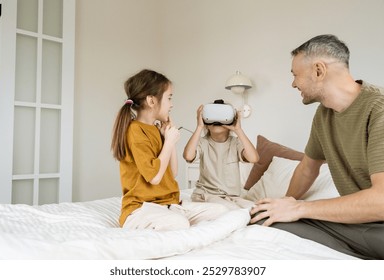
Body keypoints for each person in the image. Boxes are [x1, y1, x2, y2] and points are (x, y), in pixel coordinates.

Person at [250, 34, 384, 259]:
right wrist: (285, 204)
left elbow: (381, 201)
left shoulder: (378, 109)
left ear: (319, 70)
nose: (293, 83)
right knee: (266, 222)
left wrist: (300, 208)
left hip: (378, 223)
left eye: (295, 75)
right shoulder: (324, 115)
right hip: (359, 225)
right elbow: (307, 168)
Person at [111, 69, 228, 231]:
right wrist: (169, 142)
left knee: (221, 212)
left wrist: (168, 140)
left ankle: (178, 220)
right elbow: (154, 178)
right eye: (169, 98)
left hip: (169, 205)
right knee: (178, 223)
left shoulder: (156, 129)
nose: (172, 104)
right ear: (152, 101)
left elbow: (172, 173)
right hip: (141, 208)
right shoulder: (135, 130)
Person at [183, 100, 260, 210]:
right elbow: (188, 156)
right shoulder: (202, 142)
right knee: (232, 210)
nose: (217, 120)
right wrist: (199, 127)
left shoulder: (235, 143)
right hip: (207, 195)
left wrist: (238, 129)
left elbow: (254, 158)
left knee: (254, 208)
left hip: (232, 197)